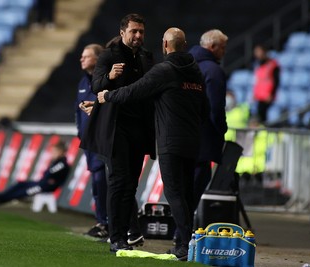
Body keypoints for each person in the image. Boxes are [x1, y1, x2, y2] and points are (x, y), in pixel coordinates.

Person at [97, 27, 208, 260]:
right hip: (193, 140)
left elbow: (134, 91)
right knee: (186, 194)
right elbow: (205, 108)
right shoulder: (196, 72)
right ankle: (183, 243)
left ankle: (185, 246)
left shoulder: (165, 70)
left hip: (171, 141)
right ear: (185, 44)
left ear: (165, 45)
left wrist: (107, 96)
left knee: (175, 193)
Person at [80, 14, 155, 252]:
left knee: (131, 185)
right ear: (122, 32)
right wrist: (110, 77)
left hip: (139, 128)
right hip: (115, 129)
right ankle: (117, 237)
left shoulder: (146, 57)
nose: (138, 36)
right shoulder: (109, 55)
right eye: (134, 31)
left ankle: (125, 236)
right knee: (118, 182)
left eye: (141, 32)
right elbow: (95, 86)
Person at [188, 29, 228, 211]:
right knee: (197, 182)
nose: (224, 52)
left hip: (182, 134)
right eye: (222, 48)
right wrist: (222, 130)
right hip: (204, 139)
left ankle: (178, 230)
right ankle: (182, 234)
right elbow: (216, 108)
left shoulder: (185, 64)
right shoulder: (213, 70)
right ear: (212, 47)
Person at [75, 43, 109, 238]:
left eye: (86, 56)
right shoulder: (82, 82)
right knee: (97, 184)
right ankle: (101, 221)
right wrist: (80, 132)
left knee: (101, 181)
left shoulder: (104, 81)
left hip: (102, 140)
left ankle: (107, 222)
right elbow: (76, 111)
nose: (82, 59)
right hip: (88, 142)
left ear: (97, 59)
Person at [0, 141, 70, 208]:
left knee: (23, 192)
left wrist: (51, 180)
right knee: (20, 184)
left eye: (54, 151)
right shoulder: (57, 162)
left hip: (46, 186)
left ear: (60, 151)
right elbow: (48, 174)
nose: (52, 153)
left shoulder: (62, 163)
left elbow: (49, 174)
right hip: (42, 183)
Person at [252, 44, 280, 123]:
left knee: (264, 117)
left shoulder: (273, 65)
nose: (257, 54)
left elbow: (276, 81)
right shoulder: (258, 65)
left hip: (267, 96)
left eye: (258, 52)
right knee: (258, 116)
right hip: (259, 96)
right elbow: (258, 81)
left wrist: (271, 94)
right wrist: (255, 93)